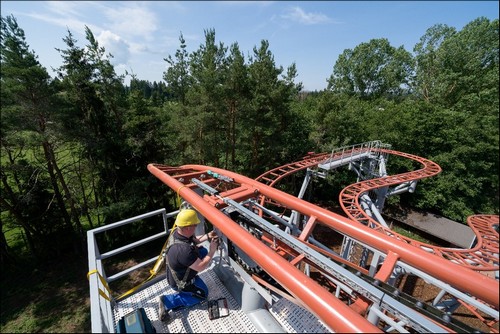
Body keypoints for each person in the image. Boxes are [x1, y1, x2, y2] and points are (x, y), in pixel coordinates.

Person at [157, 207, 219, 322]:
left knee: (202, 252)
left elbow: (194, 241)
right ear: (188, 227)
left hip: (179, 269)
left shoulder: (178, 233)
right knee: (203, 294)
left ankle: (192, 276)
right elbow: (201, 267)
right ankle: (167, 302)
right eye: (195, 225)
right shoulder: (183, 250)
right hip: (180, 282)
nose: (196, 226)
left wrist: (208, 236)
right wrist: (212, 251)